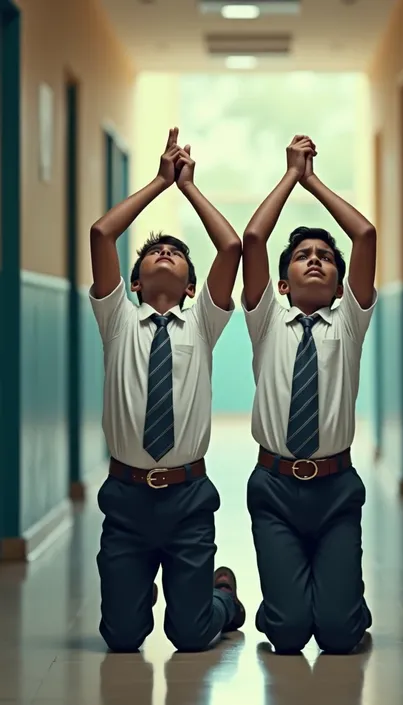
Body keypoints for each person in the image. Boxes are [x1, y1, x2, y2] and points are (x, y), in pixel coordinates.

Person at [89, 127, 245, 653]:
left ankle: (221, 595)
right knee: (123, 638)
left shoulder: (203, 323)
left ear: (191, 287)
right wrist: (160, 182)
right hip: (127, 497)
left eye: (177, 254)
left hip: (187, 497)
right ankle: (180, 596)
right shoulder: (118, 320)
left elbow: (231, 246)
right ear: (133, 283)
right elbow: (102, 234)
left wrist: (188, 189)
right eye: (155, 252)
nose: (165, 254)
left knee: (192, 635)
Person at [242, 134, 377, 655]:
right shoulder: (266, 323)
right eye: (302, 257)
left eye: (325, 257)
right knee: (289, 635)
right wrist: (289, 177)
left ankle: (342, 598)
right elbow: (254, 240)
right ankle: (278, 598)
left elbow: (364, 234)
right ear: (281, 283)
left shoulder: (349, 324)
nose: (315, 261)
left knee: (341, 637)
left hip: (336, 487)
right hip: (274, 488)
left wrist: (313, 180)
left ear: (343, 285)